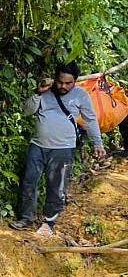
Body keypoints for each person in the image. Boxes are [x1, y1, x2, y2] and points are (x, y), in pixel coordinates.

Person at [9, 62, 105, 237]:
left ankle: (49, 221)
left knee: (56, 186)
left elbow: (90, 120)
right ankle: (26, 218)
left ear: (75, 81)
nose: (63, 86)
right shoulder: (45, 91)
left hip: (63, 148)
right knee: (29, 182)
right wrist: (38, 92)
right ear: (56, 78)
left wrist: (97, 143)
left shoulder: (81, 95)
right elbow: (27, 111)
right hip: (38, 146)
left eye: (68, 83)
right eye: (60, 82)